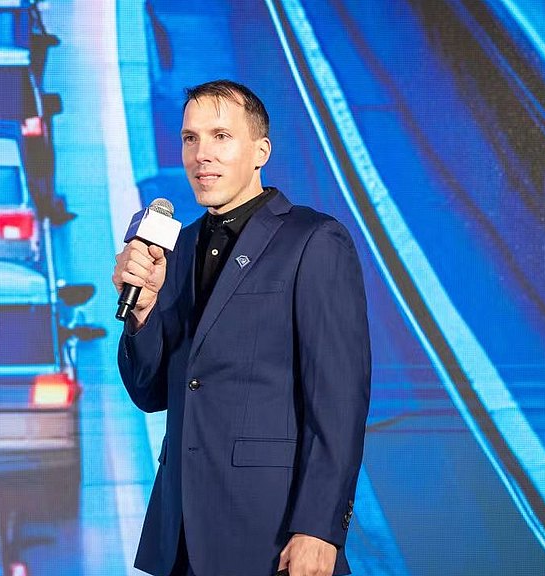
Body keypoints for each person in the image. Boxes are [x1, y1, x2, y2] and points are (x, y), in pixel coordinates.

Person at [113, 79, 371, 576]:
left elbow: (339, 401)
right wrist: (142, 313)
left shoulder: (313, 240)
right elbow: (151, 391)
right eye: (191, 139)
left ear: (260, 151)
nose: (202, 154)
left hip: (270, 534)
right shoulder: (177, 248)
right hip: (182, 537)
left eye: (220, 136)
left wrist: (320, 528)